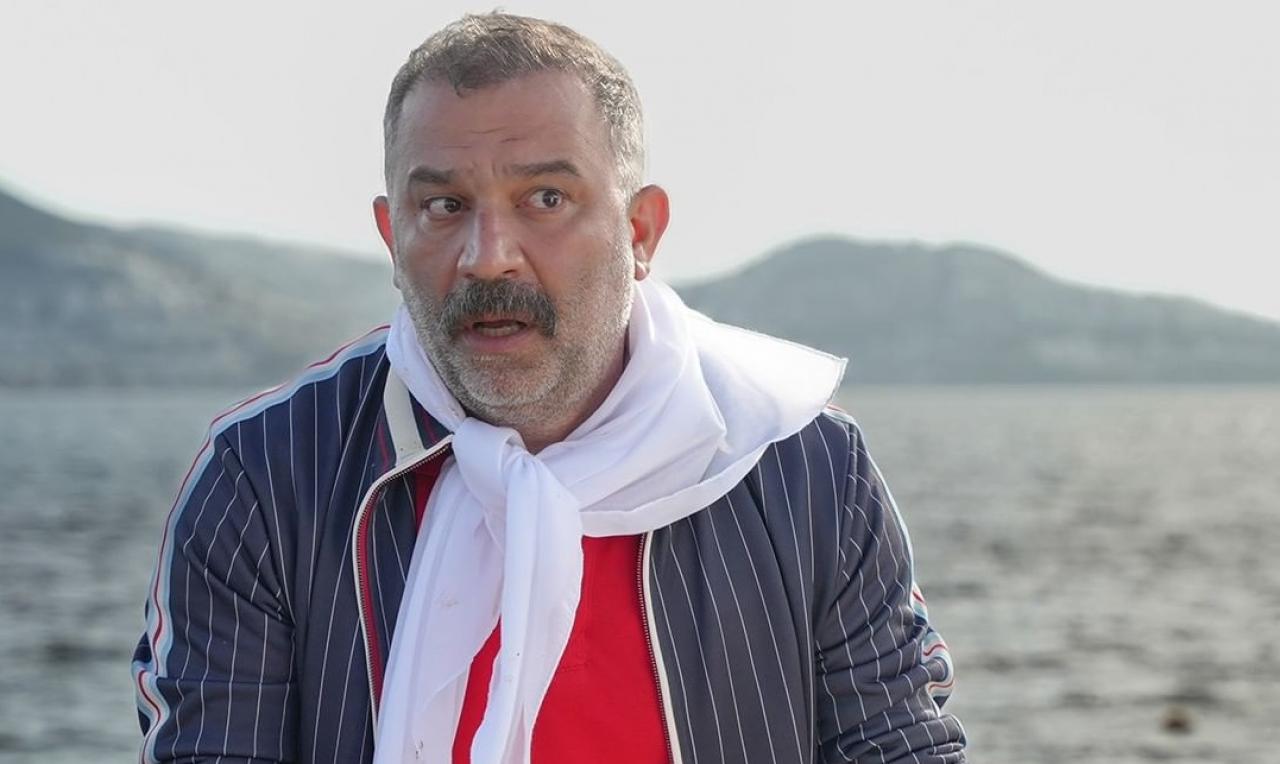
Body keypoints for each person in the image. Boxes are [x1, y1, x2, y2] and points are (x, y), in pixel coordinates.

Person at [132, 12, 965, 764]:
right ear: (392, 236)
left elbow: (898, 748)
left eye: (546, 198)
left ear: (640, 231)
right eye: (445, 205)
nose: (488, 255)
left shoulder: (802, 468)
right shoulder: (267, 479)